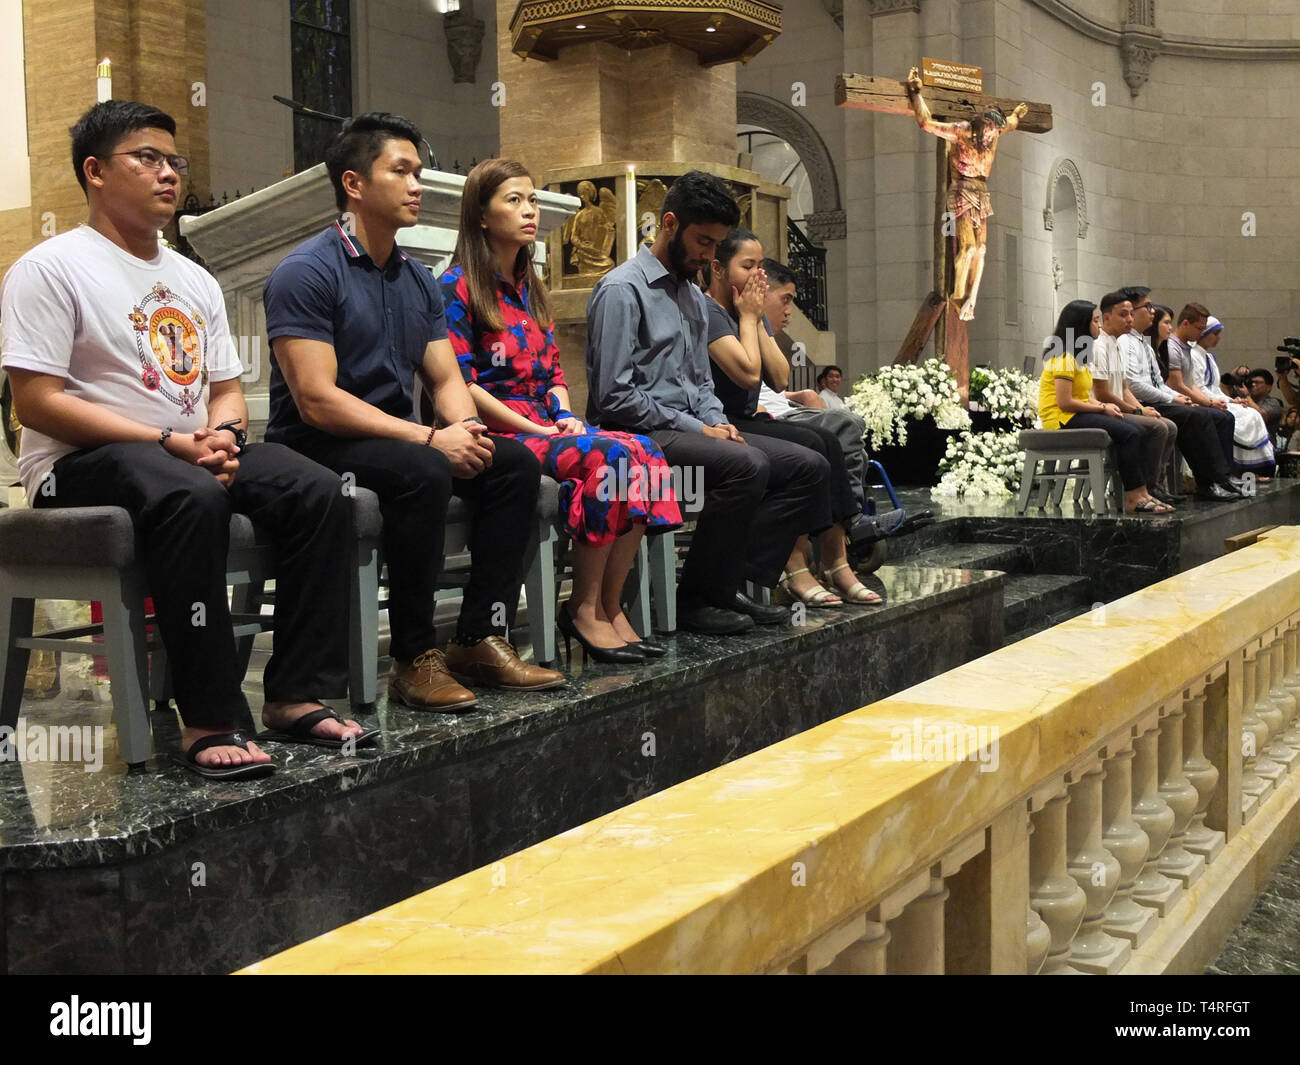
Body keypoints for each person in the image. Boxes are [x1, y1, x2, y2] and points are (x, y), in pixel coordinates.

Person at [0, 100, 374, 780]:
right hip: (75, 465)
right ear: (95, 171)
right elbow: (38, 403)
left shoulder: (194, 278)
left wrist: (223, 435)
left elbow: (225, 388)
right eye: (148, 158)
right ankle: (208, 716)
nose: (169, 173)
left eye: (176, 161)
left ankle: (294, 692)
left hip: (180, 452)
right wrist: (171, 439)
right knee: (190, 493)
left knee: (319, 490)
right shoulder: (50, 268)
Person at [263, 112, 564, 712]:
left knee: (511, 465)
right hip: (318, 443)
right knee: (422, 471)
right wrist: (431, 442)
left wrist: (463, 431)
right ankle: (414, 657)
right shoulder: (307, 271)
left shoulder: (417, 282)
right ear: (353, 184)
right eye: (400, 171)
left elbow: (447, 377)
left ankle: (478, 636)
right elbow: (317, 400)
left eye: (419, 172)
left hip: (396, 437)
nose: (417, 185)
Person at [439, 159, 681, 663]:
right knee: (608, 459)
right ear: (481, 215)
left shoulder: (532, 286)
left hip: (544, 423)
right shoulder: (457, 286)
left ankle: (612, 606)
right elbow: (462, 385)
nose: (530, 211)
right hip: (497, 429)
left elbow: (552, 374)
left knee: (647, 451)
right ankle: (583, 608)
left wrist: (565, 416)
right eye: (514, 200)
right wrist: (538, 428)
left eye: (532, 199)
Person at [586, 170, 818, 634]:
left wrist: (716, 420)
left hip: (687, 428)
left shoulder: (691, 295)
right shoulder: (622, 289)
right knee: (748, 466)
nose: (710, 255)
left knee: (806, 466)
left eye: (717, 244)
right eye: (703, 241)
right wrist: (700, 429)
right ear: (669, 223)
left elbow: (700, 383)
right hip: (635, 435)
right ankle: (696, 599)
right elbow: (613, 395)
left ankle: (733, 583)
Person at [702, 230, 880, 605]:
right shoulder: (709, 313)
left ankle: (836, 563)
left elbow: (779, 376)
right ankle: (795, 569)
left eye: (759, 268)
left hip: (752, 416)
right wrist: (749, 319)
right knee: (806, 457)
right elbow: (748, 375)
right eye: (747, 266)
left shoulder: (749, 314)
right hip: (723, 419)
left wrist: (753, 320)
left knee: (827, 441)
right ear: (719, 269)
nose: (756, 276)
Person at [905, 66, 1029, 321]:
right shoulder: (962, 131)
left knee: (982, 250)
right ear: (983, 123)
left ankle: (971, 301)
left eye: (996, 131)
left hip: (982, 192)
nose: (993, 135)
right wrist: (916, 93)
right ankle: (958, 295)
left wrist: (1017, 113)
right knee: (969, 249)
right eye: (991, 130)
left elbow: (1012, 124)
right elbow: (926, 123)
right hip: (962, 189)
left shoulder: (993, 135)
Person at [754, 259, 871, 510]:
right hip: (768, 419)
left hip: (786, 409)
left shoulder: (760, 330)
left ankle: (838, 521)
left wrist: (796, 394)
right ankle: (852, 517)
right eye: (785, 300)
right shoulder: (736, 324)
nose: (789, 311)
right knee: (848, 423)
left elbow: (776, 383)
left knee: (857, 450)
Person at [1039, 301, 1169, 514]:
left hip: (1074, 414)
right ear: (1081, 324)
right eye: (1095, 320)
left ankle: (1143, 492)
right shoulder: (1063, 356)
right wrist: (1101, 410)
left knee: (1138, 429)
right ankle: (1133, 497)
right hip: (1061, 418)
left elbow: (1082, 396)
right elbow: (1064, 402)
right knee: (1128, 433)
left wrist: (1102, 405)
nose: (1098, 325)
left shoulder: (1078, 356)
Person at [1117, 285, 1240, 500]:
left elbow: (1158, 381)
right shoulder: (1124, 341)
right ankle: (1211, 481)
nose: (1152, 311)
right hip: (1142, 402)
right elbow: (1134, 384)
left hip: (1155, 398)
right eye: (1147, 307)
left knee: (1215, 416)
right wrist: (1171, 397)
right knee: (1197, 416)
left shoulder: (1143, 342)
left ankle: (1217, 479)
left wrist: (1175, 397)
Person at [1089, 296, 1179, 503]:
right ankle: (1144, 488)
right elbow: (1102, 393)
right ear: (1107, 317)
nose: (1129, 319)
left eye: (1131, 314)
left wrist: (1141, 409)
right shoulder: (1099, 345)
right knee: (1158, 428)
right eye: (1123, 314)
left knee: (1168, 425)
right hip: (1105, 408)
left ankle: (1155, 484)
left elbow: (1124, 388)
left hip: (1120, 407)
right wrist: (1138, 412)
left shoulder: (1116, 343)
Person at [1171, 308, 1274, 478]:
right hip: (1203, 400)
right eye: (1215, 333)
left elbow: (1214, 388)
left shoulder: (1209, 357)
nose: (1218, 338)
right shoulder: (1192, 354)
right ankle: (1231, 471)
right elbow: (1196, 387)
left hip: (1212, 398)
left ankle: (1249, 471)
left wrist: (1231, 400)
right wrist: (1214, 402)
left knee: (1251, 414)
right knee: (1237, 417)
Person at [1245, 366, 1285, 440]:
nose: (1253, 385)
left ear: (1269, 387)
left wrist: (1246, 395)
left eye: (1257, 382)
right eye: (1251, 382)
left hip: (1264, 446)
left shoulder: (1274, 403)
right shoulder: (1242, 400)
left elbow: (1261, 416)